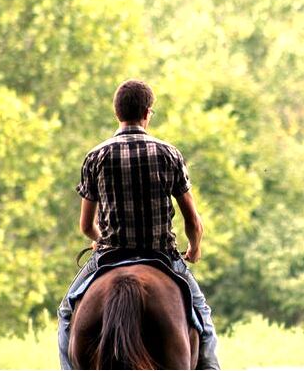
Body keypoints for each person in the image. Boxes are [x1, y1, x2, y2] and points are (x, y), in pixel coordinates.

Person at [57, 79, 220, 370]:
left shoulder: (96, 157)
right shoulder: (169, 154)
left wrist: (99, 239)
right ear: (147, 113)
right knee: (202, 318)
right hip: (161, 257)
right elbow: (192, 220)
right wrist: (194, 248)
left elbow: (85, 225)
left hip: (109, 255)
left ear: (117, 112)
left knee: (67, 314)